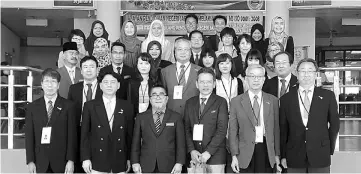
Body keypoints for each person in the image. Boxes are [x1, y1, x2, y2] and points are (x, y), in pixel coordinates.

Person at [279, 58, 340, 173]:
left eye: (310, 71)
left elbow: (335, 124)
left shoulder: (328, 96)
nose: (306, 74)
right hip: (294, 155)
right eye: (302, 70)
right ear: (297, 73)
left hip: (320, 154)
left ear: (315, 74)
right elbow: (283, 129)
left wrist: (329, 148)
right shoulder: (286, 99)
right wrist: (283, 154)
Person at [229, 64, 281, 173]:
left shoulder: (273, 100)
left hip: (266, 150)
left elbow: (276, 130)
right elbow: (233, 131)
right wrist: (234, 156)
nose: (256, 80)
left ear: (264, 79)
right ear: (246, 79)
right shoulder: (236, 101)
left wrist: (277, 155)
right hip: (244, 152)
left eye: (259, 77)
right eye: (252, 76)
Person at [81, 71, 134, 173]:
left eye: (113, 82)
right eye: (106, 82)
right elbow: (85, 135)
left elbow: (129, 135)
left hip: (119, 160)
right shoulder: (90, 106)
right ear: (100, 85)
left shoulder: (127, 106)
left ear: (118, 85)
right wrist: (85, 158)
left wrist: (128, 158)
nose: (109, 85)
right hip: (97, 160)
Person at [25, 68, 77, 173]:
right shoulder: (32, 107)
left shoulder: (69, 106)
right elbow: (29, 136)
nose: (50, 85)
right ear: (42, 84)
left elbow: (72, 135)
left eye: (53, 82)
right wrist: (30, 161)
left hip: (62, 161)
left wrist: (71, 160)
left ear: (58, 85)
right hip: (40, 161)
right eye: (47, 81)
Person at [131, 85, 186, 173]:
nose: (158, 97)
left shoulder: (176, 117)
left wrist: (179, 163)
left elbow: (181, 143)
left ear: (167, 99)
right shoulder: (141, 117)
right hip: (145, 165)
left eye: (161, 94)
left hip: (170, 166)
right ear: (150, 99)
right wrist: (135, 162)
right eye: (154, 95)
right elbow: (135, 143)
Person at [184, 67, 229, 173]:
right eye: (202, 82)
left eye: (208, 82)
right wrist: (191, 150)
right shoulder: (190, 103)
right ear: (196, 84)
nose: (205, 85)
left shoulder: (221, 102)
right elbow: (186, 129)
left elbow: (222, 130)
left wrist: (208, 152)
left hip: (215, 156)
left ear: (214, 84)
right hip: (195, 157)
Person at [67, 56, 102, 173]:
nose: (88, 70)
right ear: (81, 71)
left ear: (97, 70)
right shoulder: (74, 89)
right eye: (85, 67)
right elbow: (70, 113)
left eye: (92, 67)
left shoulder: (105, 88)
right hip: (78, 131)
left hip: (99, 132)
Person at [161, 38, 201, 116]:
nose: (183, 52)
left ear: (190, 53)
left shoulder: (200, 71)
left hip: (194, 115)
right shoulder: (165, 71)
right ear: (175, 52)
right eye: (179, 49)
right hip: (171, 115)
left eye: (186, 49)